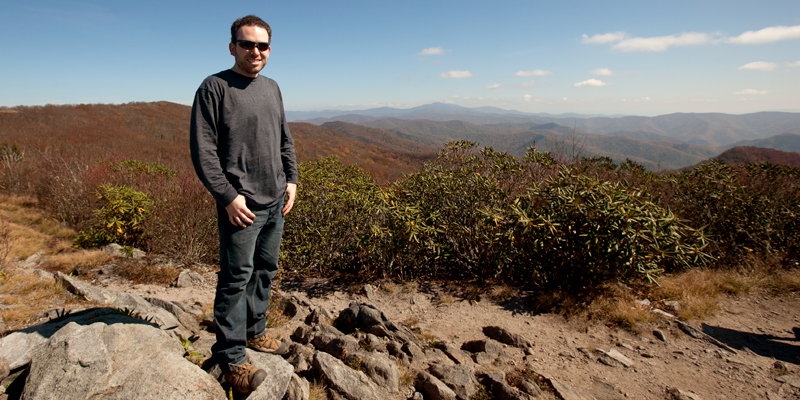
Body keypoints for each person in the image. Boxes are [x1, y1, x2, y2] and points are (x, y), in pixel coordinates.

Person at [189, 15, 297, 395]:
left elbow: (284, 138)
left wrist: (293, 180)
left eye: (262, 45)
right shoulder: (214, 88)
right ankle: (230, 358)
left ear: (270, 49)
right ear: (232, 46)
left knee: (265, 269)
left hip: (275, 202)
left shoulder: (271, 87)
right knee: (236, 279)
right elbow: (203, 153)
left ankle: (255, 333)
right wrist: (228, 197)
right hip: (242, 205)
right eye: (247, 44)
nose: (255, 51)